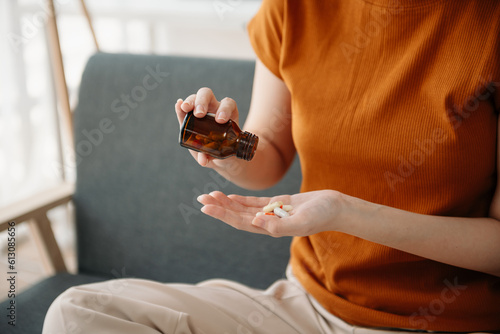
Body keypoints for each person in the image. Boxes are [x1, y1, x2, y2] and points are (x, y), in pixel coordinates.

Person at [43, 0, 500, 333]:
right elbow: (267, 157)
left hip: (449, 321)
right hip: (305, 308)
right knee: (78, 313)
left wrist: (346, 212)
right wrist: (227, 147)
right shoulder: (293, 8)